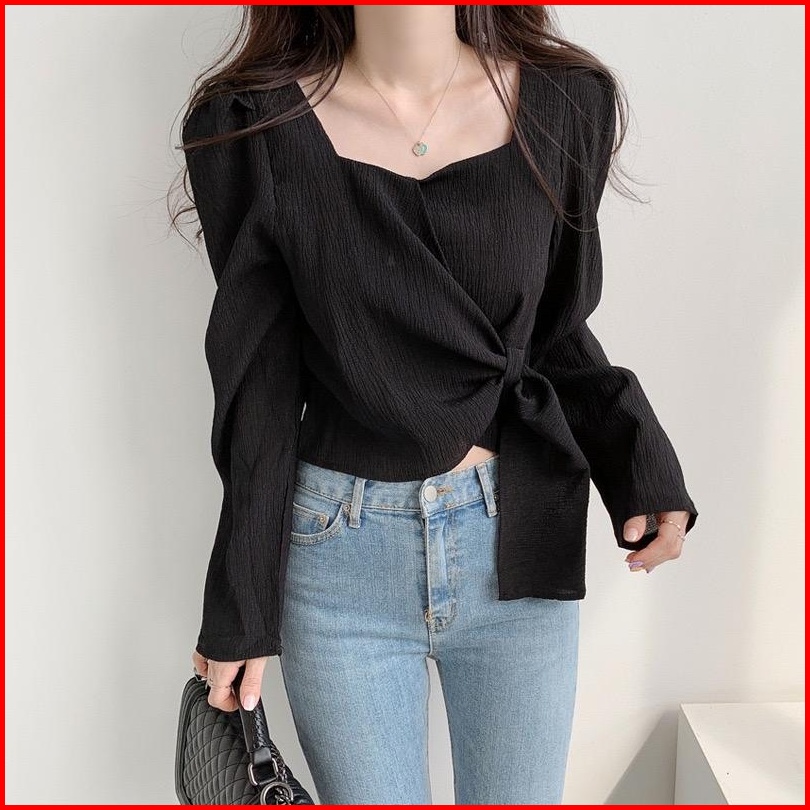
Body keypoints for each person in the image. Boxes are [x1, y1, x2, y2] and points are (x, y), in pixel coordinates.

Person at [172, 5, 698, 804]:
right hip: (338, 552)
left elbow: (552, 330)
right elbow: (261, 385)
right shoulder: (251, 127)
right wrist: (241, 603)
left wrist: (637, 461)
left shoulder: (565, 102)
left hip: (515, 536)